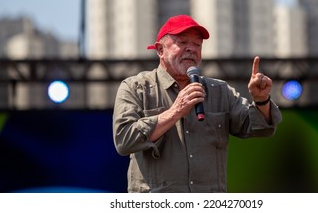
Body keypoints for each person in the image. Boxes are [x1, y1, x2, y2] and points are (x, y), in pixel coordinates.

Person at [112, 14, 282, 193]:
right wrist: (175, 111)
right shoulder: (136, 88)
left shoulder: (219, 90)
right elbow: (124, 140)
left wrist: (261, 99)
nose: (191, 49)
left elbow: (261, 128)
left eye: (197, 44)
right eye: (183, 42)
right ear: (160, 50)